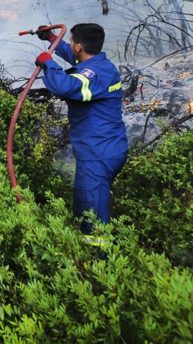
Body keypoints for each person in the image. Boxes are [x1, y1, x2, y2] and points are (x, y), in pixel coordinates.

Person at [35, 23, 128, 234]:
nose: (69, 46)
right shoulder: (99, 64)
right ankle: (91, 252)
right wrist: (51, 39)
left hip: (99, 154)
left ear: (79, 46)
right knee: (89, 202)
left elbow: (65, 86)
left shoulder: (95, 76)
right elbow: (76, 58)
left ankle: (97, 258)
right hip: (105, 149)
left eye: (71, 42)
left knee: (90, 214)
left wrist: (48, 63)